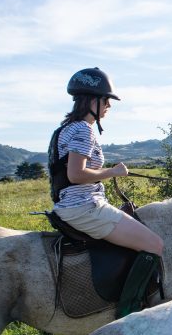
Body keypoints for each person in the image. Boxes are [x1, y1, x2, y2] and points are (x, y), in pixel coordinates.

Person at [48, 67, 164, 317]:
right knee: (155, 244)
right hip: (85, 208)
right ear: (92, 100)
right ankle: (130, 311)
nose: (109, 105)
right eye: (106, 100)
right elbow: (76, 175)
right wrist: (113, 172)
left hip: (75, 205)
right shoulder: (83, 130)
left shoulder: (66, 128)